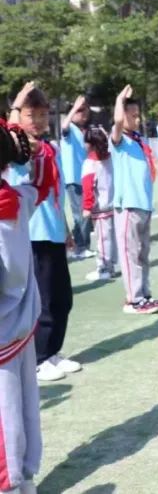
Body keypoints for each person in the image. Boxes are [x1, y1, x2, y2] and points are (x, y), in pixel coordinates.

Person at [6, 84, 79, 383]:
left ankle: (52, 351)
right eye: (29, 114)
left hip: (53, 232)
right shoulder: (16, 149)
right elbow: (11, 136)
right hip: (32, 234)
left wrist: (65, 228)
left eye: (42, 113)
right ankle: (38, 358)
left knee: (62, 298)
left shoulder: (51, 148)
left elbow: (56, 192)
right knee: (43, 300)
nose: (36, 120)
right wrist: (16, 106)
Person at [0, 119, 43, 494]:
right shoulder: (18, 197)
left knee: (5, 428)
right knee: (24, 415)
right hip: (20, 324)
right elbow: (37, 185)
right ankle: (25, 480)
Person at [110, 85, 158, 316]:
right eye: (131, 115)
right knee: (130, 253)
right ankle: (133, 299)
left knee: (143, 253)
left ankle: (144, 294)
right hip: (128, 206)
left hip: (143, 205)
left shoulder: (138, 140)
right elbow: (116, 123)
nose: (136, 118)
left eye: (137, 115)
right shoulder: (118, 140)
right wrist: (119, 99)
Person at [81, 127, 118, 282]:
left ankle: (104, 268)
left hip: (101, 208)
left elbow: (88, 187)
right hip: (113, 205)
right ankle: (111, 266)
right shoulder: (111, 158)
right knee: (111, 239)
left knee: (102, 240)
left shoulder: (90, 163)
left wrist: (87, 207)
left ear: (90, 144)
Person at [59, 96, 92, 260]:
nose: (83, 113)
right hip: (73, 179)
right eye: (79, 110)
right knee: (80, 214)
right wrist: (74, 108)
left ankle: (79, 244)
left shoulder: (80, 130)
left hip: (82, 177)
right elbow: (63, 126)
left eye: (84, 109)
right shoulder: (69, 128)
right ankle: (80, 247)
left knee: (85, 213)